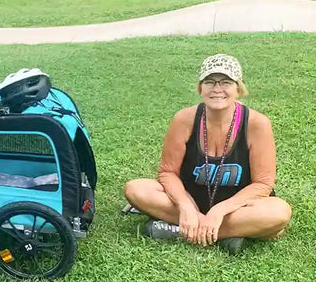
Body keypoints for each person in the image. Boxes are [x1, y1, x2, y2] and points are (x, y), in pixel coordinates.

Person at [123, 54, 291, 254]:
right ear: (200, 88)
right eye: (209, 82)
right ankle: (228, 235)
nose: (217, 89)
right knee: (136, 189)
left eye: (226, 82)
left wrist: (220, 210)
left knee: (279, 212)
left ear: (239, 88)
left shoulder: (257, 124)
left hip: (237, 208)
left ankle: (180, 230)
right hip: (191, 200)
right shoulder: (184, 119)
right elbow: (167, 172)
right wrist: (186, 207)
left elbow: (263, 183)